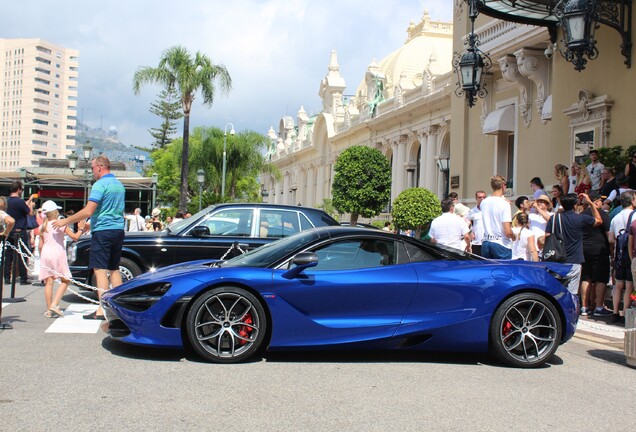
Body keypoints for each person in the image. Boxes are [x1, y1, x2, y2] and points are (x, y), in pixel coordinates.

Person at [53, 155, 125, 321]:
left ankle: (102, 309)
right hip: (117, 230)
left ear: (100, 167)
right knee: (114, 268)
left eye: (92, 168)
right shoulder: (119, 185)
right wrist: (89, 225)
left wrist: (66, 220)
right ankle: (120, 307)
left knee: (99, 269)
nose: (92, 171)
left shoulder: (100, 184)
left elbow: (88, 210)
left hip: (103, 232)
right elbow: (110, 211)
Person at [544, 193, 602, 296]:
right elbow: (599, 221)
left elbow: (547, 236)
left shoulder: (554, 219)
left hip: (555, 259)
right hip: (574, 260)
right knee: (571, 294)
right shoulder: (581, 218)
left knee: (555, 293)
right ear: (575, 205)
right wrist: (590, 203)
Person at [38, 200, 86, 318]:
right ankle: (54, 304)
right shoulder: (60, 224)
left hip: (45, 252)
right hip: (58, 252)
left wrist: (41, 256)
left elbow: (40, 245)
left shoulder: (42, 226)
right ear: (55, 212)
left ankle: (49, 309)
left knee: (48, 282)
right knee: (66, 280)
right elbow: (75, 237)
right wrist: (81, 229)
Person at [580, 192, 612, 317]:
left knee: (586, 277)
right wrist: (612, 250)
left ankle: (584, 306)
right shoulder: (603, 214)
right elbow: (609, 235)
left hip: (584, 249)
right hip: (600, 249)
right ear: (596, 202)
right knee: (601, 278)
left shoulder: (582, 215)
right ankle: (598, 307)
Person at [608, 190, 636, 323]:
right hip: (630, 254)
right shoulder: (634, 216)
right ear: (632, 201)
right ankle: (625, 312)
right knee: (629, 285)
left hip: (618, 254)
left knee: (618, 284)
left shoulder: (615, 217)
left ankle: (614, 312)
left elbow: (611, 239)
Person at [4, 181, 36, 285]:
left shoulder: (7, 201)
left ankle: (7, 277)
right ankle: (23, 277)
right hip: (20, 229)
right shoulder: (20, 201)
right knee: (22, 254)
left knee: (8, 254)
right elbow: (30, 213)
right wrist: (31, 204)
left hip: (9, 229)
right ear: (18, 190)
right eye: (21, 190)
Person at [480, 175, 515, 259]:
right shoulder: (504, 204)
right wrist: (514, 236)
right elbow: (507, 232)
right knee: (503, 271)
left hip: (486, 242)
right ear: (503, 186)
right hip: (501, 244)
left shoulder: (484, 202)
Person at [466, 190, 486, 256]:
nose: (482, 199)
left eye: (484, 197)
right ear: (476, 198)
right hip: (477, 241)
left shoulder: (489, 210)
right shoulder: (472, 211)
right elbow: (465, 222)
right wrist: (470, 232)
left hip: (487, 241)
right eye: (480, 197)